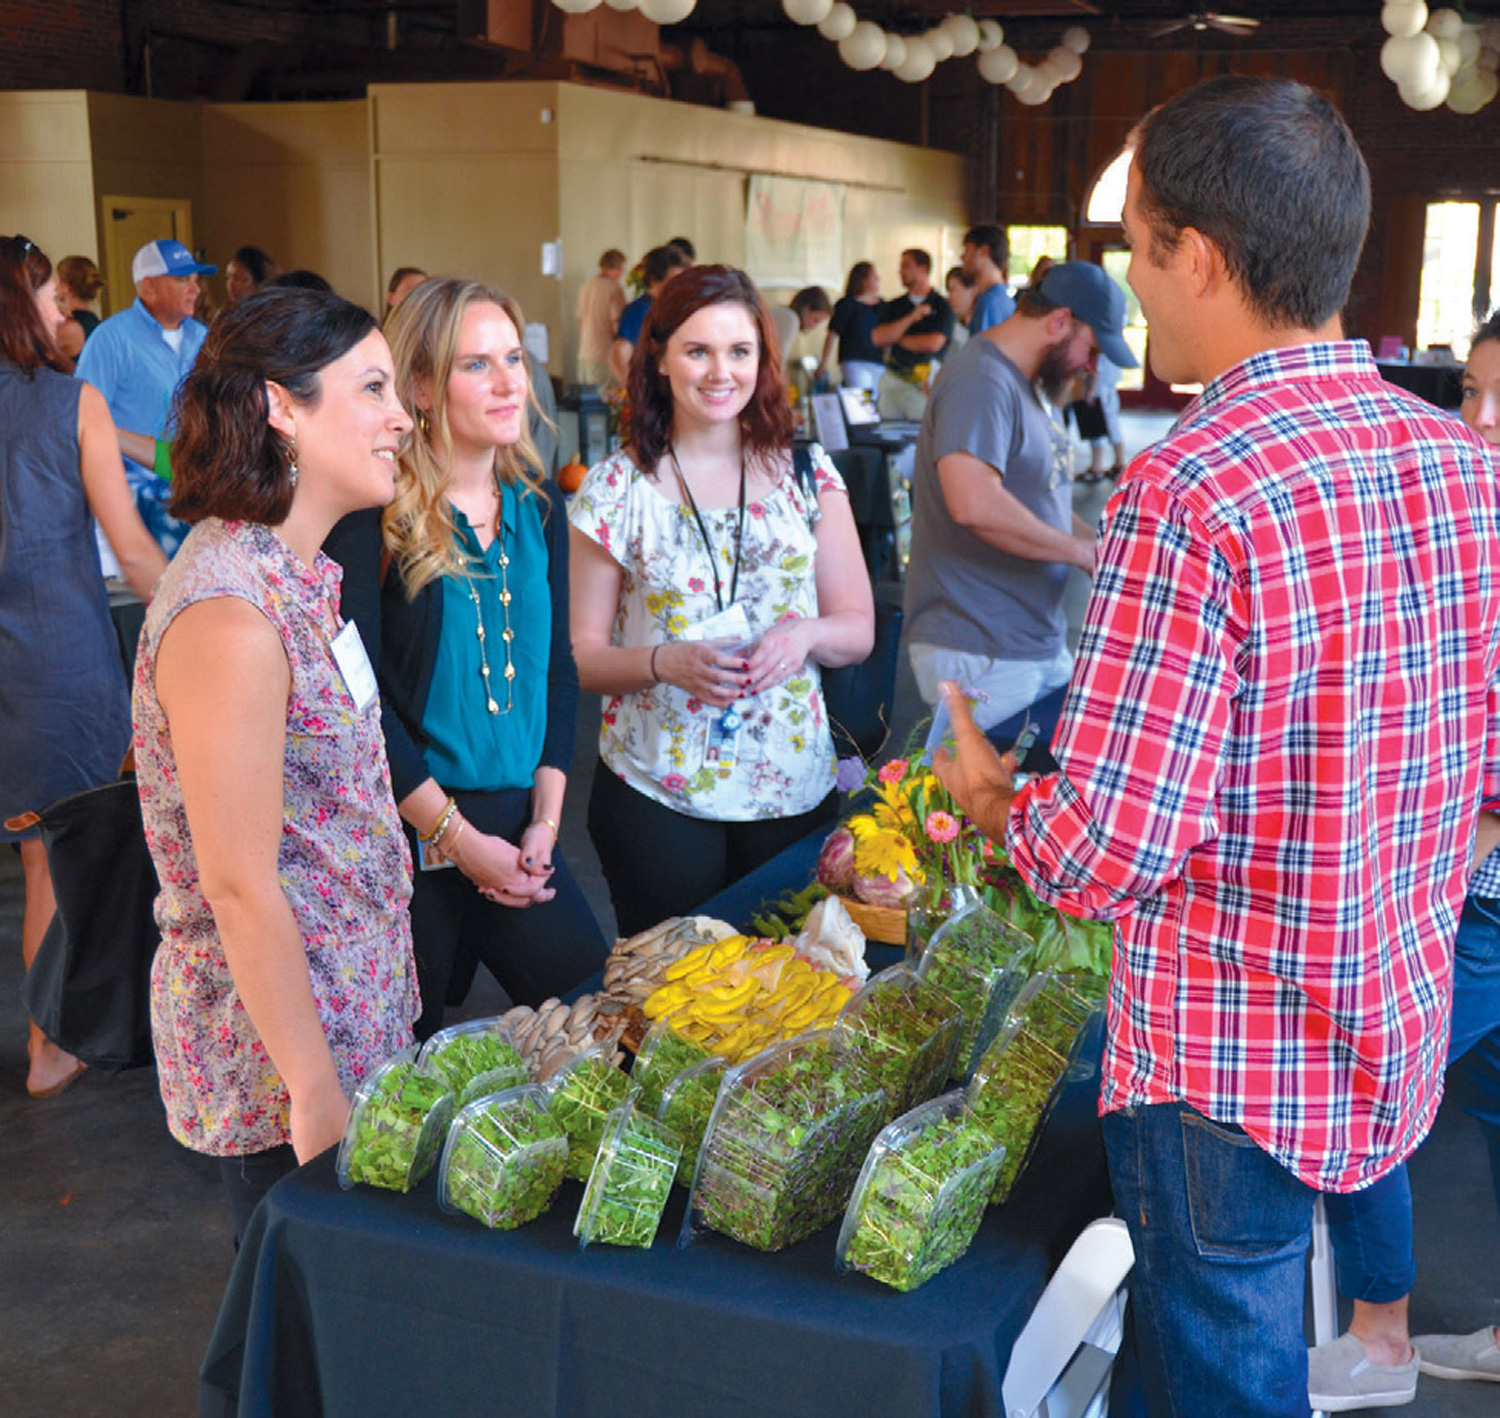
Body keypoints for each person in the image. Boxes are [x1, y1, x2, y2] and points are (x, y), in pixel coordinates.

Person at [932, 76, 1500, 1418]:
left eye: (1138, 249)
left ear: (1200, 253)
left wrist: (996, 797)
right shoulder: (1460, 464)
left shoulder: (1191, 486)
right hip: (1390, 990)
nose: (1139, 286)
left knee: (1227, 1368)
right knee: (1186, 1356)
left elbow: (1111, 843)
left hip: (1225, 1051)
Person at [132, 286, 419, 1241]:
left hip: (352, 1021)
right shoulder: (233, 614)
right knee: (291, 1354)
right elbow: (239, 885)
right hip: (284, 1069)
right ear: (280, 405)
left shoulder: (290, 572)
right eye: (372, 388)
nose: (401, 418)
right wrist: (314, 1089)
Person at [1306, 311, 1500, 1412]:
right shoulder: (1471, 503)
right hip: (1465, 882)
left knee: (1366, 1077)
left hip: (1464, 892)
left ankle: (1379, 1337)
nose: (1478, 420)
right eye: (1471, 391)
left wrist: (1439, 858)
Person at [326, 279, 606, 1040]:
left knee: (606, 1025)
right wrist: (455, 839)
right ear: (420, 384)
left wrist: (545, 825)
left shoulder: (540, 504)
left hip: (519, 826)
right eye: (476, 364)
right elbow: (359, 703)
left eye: (513, 357)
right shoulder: (372, 516)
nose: (510, 380)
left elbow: (557, 672)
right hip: (409, 834)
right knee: (400, 1070)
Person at [569, 264, 874, 935]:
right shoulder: (617, 488)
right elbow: (582, 658)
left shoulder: (806, 471)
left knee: (788, 999)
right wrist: (661, 661)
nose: (720, 372)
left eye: (739, 351)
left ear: (763, 359)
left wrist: (804, 635)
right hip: (659, 794)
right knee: (669, 1003)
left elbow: (857, 628)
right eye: (697, 350)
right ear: (661, 357)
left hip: (792, 788)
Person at [0, 234, 166, 1100]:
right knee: (56, 865)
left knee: (40, 856)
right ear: (15, 306)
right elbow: (134, 551)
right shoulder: (73, 402)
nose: (66, 313)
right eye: (51, 299)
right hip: (58, 664)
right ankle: (50, 1045)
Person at [903, 261, 1136, 750]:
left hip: (1029, 641)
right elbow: (974, 503)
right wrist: (1079, 555)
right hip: (979, 644)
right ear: (1058, 323)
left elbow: (1042, 499)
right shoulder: (981, 381)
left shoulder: (1028, 382)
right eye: (1091, 349)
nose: (1091, 366)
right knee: (977, 810)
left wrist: (1102, 547)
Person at [76, 237, 216, 558]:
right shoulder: (111, 340)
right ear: (149, 287)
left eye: (196, 280)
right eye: (183, 280)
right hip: (136, 500)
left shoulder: (204, 338)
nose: (195, 289)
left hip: (198, 492)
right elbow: (83, 417)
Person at [871, 248, 954, 421]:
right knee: (888, 429)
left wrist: (897, 338)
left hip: (923, 383)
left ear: (923, 269)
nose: (901, 272)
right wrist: (911, 318)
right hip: (893, 379)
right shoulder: (894, 306)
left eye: (906, 266)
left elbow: (933, 343)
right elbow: (878, 337)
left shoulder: (941, 306)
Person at [609, 244, 690, 387]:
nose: (679, 286)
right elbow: (621, 350)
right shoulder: (640, 310)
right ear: (654, 280)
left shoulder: (673, 307)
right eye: (673, 280)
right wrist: (631, 388)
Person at [818, 261, 884, 391]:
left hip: (878, 362)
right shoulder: (847, 304)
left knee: (876, 399)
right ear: (863, 280)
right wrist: (824, 363)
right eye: (874, 276)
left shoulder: (882, 306)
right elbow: (832, 334)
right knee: (861, 396)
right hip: (854, 361)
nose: (878, 279)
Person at [577, 248, 627, 387]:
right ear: (618, 268)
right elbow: (617, 324)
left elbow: (579, 321)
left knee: (588, 401)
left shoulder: (586, 286)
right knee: (605, 403)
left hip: (585, 352)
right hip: (604, 354)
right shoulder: (614, 289)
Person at [961, 224, 1014, 334]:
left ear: (983, 251)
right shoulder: (997, 298)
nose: (962, 257)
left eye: (967, 250)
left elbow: (984, 350)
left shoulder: (991, 303)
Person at [54, 254, 105, 362]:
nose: (54, 286)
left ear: (66, 287)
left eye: (57, 281)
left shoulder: (67, 328)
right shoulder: (96, 323)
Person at [944, 267, 975, 354]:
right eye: (949, 292)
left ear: (972, 290)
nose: (950, 297)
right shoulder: (954, 327)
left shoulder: (981, 327)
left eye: (953, 290)